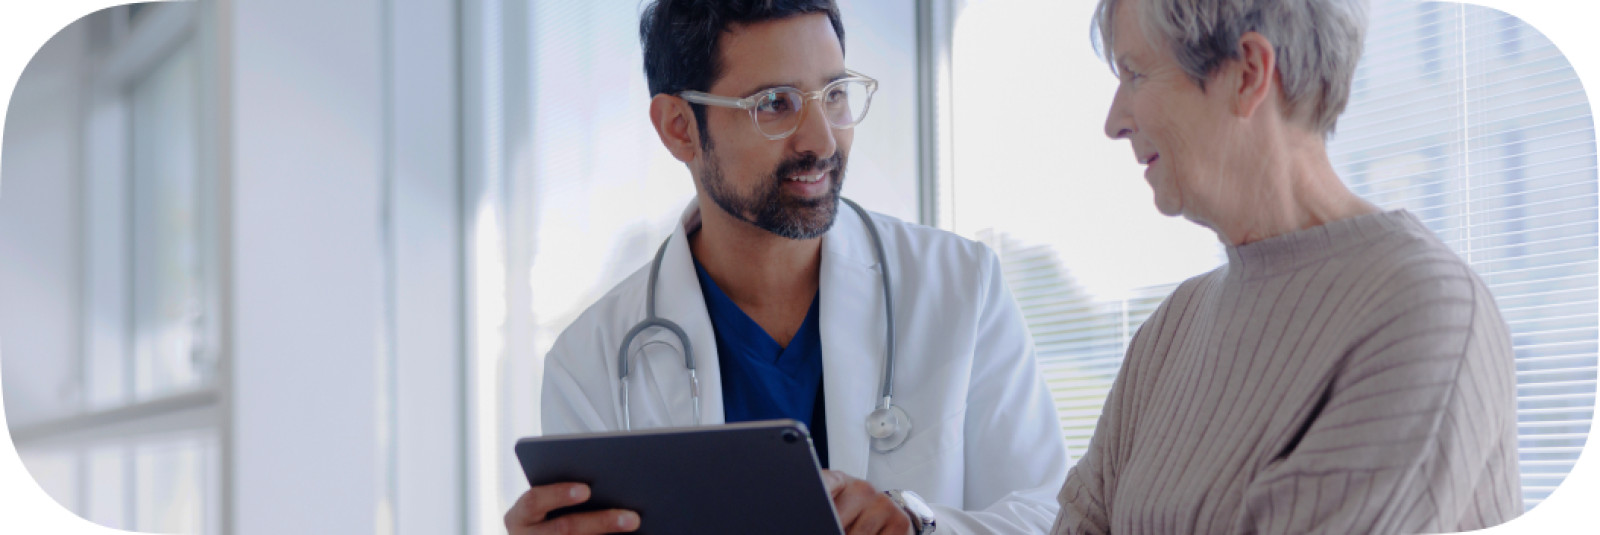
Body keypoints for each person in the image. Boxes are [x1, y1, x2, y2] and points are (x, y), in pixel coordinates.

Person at [504, 1, 1069, 534]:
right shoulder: (591, 363)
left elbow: (1054, 517)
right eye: (775, 103)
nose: (821, 140)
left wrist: (919, 525)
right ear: (679, 127)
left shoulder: (961, 288)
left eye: (835, 94)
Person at [1048, 0, 1523, 533]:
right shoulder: (1171, 329)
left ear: (1248, 74)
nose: (1114, 121)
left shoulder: (1425, 312)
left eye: (1135, 73)